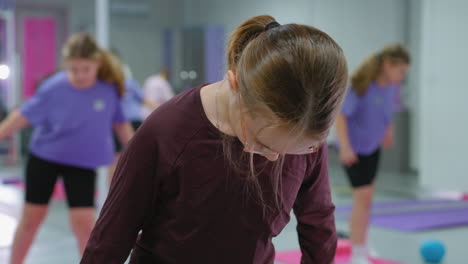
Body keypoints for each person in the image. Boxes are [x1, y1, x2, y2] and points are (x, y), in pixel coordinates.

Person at [81, 15, 348, 264]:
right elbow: (111, 238)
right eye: (263, 144)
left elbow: (318, 223)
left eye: (298, 149)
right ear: (235, 87)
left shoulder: (304, 127)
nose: (274, 157)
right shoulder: (166, 131)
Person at [2, 33, 134, 264]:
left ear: (98, 64)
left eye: (86, 69)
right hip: (45, 158)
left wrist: (137, 152)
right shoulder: (54, 88)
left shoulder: (108, 90)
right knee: (32, 219)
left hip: (82, 162)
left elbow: (121, 124)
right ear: (65, 65)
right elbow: (20, 117)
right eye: (74, 69)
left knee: (84, 222)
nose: (80, 75)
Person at [335, 44, 410, 264]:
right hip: (355, 152)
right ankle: (357, 254)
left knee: (367, 201)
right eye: (401, 70)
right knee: (362, 199)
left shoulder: (390, 87)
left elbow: (388, 110)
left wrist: (389, 130)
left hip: (373, 148)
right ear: (388, 64)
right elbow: (341, 117)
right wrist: (346, 147)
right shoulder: (361, 86)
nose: (402, 75)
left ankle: (363, 243)